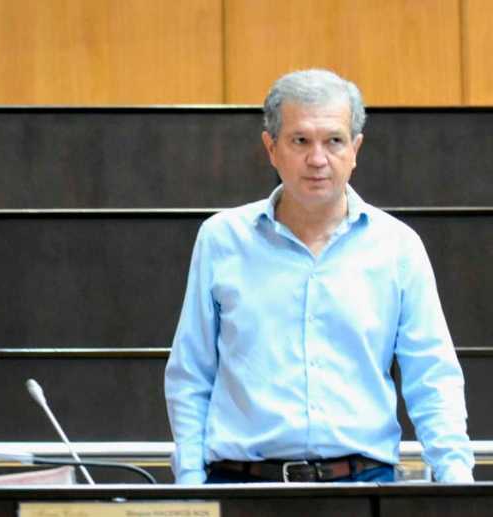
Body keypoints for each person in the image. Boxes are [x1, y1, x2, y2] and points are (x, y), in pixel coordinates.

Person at [164, 69, 474, 484]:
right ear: (271, 148)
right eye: (300, 141)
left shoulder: (398, 247)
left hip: (363, 485)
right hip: (242, 486)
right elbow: (191, 372)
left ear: (355, 149)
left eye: (334, 141)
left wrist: (456, 481)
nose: (317, 159)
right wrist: (190, 483)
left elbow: (432, 376)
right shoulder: (221, 240)